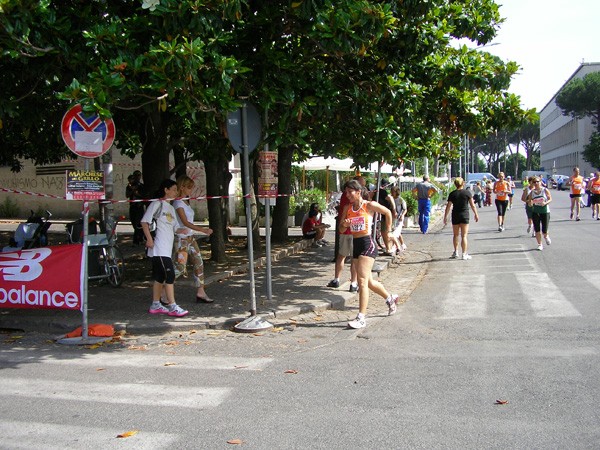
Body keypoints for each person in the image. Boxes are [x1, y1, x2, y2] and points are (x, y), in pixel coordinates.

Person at [339, 180, 399, 329]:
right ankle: (389, 298)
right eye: (346, 192)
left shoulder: (369, 205)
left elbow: (387, 212)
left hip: (367, 244)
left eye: (350, 192)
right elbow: (340, 228)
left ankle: (361, 317)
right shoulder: (348, 207)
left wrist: (389, 231)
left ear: (358, 192)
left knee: (362, 281)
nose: (347, 195)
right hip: (356, 245)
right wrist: (345, 225)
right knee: (369, 281)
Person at [141, 179, 188, 317]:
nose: (175, 192)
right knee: (170, 275)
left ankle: (155, 304)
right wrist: (149, 239)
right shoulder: (157, 204)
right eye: (173, 189)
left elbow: (174, 228)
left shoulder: (171, 208)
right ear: (165, 190)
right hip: (158, 247)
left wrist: (181, 230)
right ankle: (172, 306)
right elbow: (144, 221)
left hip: (167, 248)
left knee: (160, 276)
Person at [173, 175, 214, 303]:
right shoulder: (178, 203)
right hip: (182, 239)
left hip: (190, 238)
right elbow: (185, 222)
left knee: (199, 263)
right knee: (180, 267)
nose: (191, 190)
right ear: (182, 187)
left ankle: (200, 292)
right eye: (189, 187)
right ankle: (163, 289)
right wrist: (202, 229)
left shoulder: (185, 201)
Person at [328, 177, 363, 292]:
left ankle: (337, 279)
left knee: (342, 256)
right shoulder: (354, 197)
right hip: (353, 231)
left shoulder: (344, 195)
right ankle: (353, 283)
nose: (348, 194)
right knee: (354, 258)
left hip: (346, 231)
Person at [443, 177, 479, 260]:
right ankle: (464, 253)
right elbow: (472, 205)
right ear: (463, 184)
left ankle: (456, 252)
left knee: (456, 235)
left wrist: (445, 217)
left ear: (455, 184)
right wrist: (476, 214)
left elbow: (448, 206)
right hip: (464, 214)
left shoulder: (452, 194)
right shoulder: (467, 193)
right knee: (464, 235)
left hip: (455, 214)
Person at [526, 177, 552, 251]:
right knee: (537, 229)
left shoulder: (545, 190)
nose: (536, 183)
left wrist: (545, 203)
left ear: (540, 182)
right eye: (534, 182)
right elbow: (530, 201)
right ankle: (540, 244)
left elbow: (550, 199)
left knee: (544, 230)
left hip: (545, 211)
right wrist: (530, 204)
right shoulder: (532, 192)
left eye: (537, 182)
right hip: (536, 212)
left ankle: (546, 236)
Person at [126, 170, 146, 245]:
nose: (137, 177)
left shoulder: (141, 186)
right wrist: (133, 190)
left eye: (139, 175)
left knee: (139, 223)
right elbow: (127, 195)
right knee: (133, 222)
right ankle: (138, 238)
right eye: (136, 175)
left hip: (139, 206)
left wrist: (137, 194)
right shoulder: (130, 186)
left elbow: (143, 196)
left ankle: (138, 238)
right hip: (132, 206)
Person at [377, 179, 397, 254]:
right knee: (383, 232)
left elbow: (390, 198)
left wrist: (394, 210)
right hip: (384, 214)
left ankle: (397, 247)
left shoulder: (381, 192)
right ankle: (388, 248)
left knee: (387, 232)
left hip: (388, 213)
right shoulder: (375, 194)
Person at [390, 186, 407, 253]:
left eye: (393, 192)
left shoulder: (400, 200)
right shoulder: (391, 199)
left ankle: (394, 246)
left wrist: (402, 215)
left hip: (399, 217)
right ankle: (403, 245)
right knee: (397, 232)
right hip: (393, 217)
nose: (392, 193)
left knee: (395, 232)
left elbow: (405, 209)